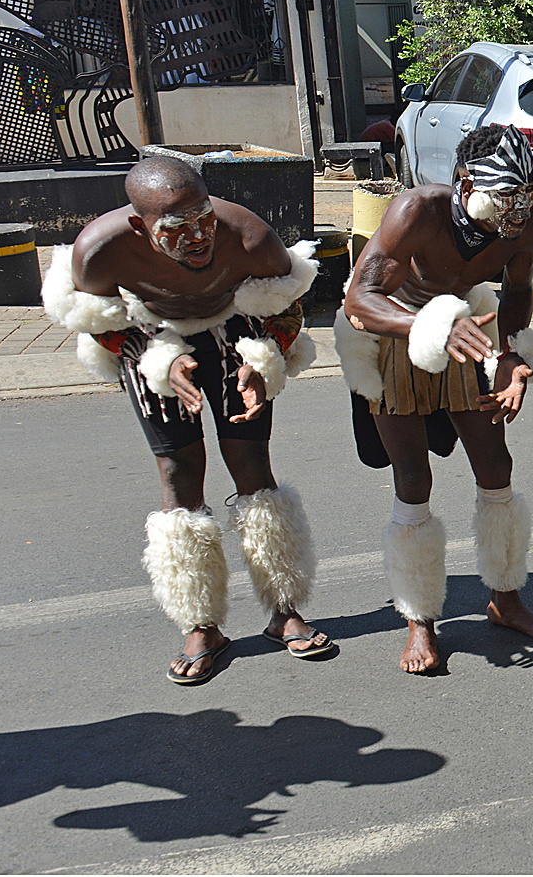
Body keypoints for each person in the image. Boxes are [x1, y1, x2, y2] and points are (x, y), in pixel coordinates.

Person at [43, 155, 328, 685]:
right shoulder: (100, 250)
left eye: (204, 220)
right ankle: (202, 624)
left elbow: (288, 308)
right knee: (178, 474)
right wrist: (158, 359)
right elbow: (98, 323)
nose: (198, 238)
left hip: (236, 335)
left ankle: (284, 609)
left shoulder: (248, 235)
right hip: (151, 339)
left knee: (252, 464)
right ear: (138, 225)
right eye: (177, 229)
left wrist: (265, 357)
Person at [339, 124, 533, 674]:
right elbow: (359, 299)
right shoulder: (418, 211)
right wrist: (429, 328)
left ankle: (505, 599)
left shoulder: (526, 225)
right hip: (395, 333)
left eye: (524, 197)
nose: (516, 211)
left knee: (496, 465)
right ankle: (419, 620)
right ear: (465, 183)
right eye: (503, 197)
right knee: (412, 478)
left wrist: (509, 356)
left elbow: (516, 293)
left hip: (469, 328)